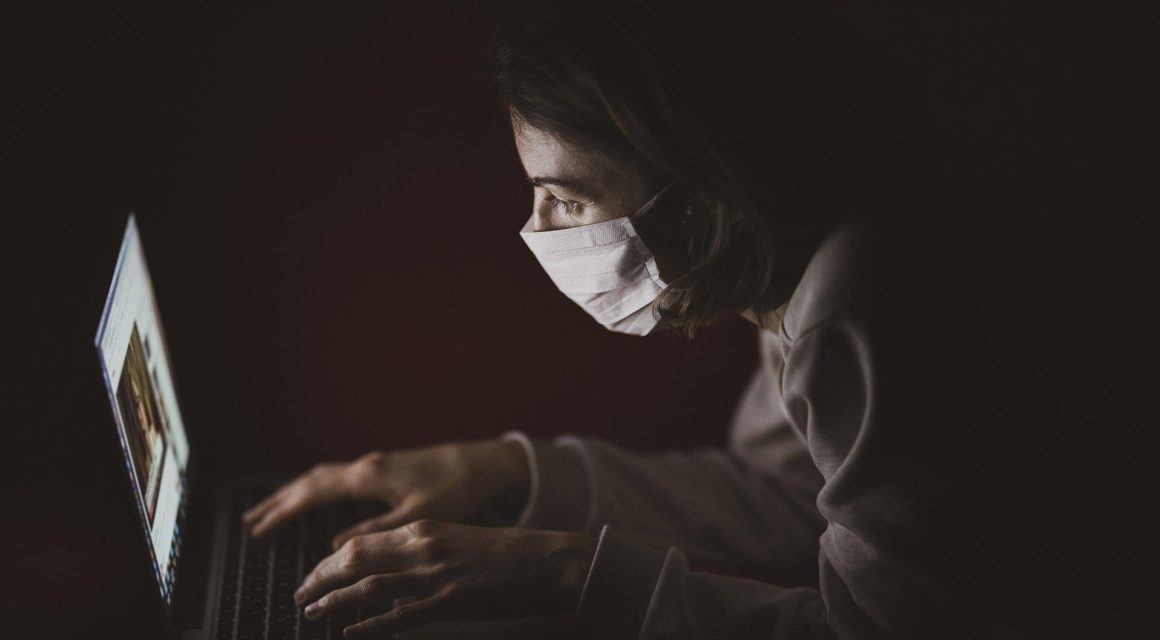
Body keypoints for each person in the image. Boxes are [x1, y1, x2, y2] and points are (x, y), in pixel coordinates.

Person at [242, 1, 1155, 638]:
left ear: (699, 191)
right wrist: (507, 471)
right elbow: (793, 497)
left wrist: (560, 575)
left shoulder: (861, 307)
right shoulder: (817, 248)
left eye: (563, 196)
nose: (538, 229)